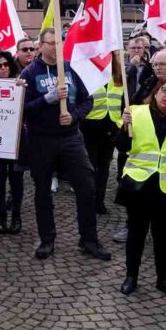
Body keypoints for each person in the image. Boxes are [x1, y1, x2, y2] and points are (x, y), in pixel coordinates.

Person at [21, 28, 111, 261]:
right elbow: (23, 110)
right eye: (50, 43)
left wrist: (74, 116)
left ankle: (89, 239)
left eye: (58, 44)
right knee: (42, 191)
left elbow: (87, 101)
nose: (55, 48)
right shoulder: (29, 73)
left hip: (71, 137)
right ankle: (47, 239)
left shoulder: (71, 69)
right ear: (40, 45)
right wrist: (46, 99)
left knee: (86, 186)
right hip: (41, 139)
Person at [116, 74, 166, 299]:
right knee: (136, 234)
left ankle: (164, 279)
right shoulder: (135, 113)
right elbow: (121, 147)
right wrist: (125, 127)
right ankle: (131, 276)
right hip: (139, 186)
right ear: (157, 91)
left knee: (163, 237)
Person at [0, 51, 27, 234]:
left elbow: (29, 109)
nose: (3, 68)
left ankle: (16, 215)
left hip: (16, 140)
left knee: (17, 179)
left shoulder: (20, 83)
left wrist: (24, 90)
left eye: (6, 64)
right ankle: (1, 215)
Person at [80, 53, 124, 216]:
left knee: (104, 167)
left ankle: (99, 201)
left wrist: (120, 123)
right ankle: (88, 200)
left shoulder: (119, 75)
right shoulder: (87, 73)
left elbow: (123, 101)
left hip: (112, 126)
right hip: (91, 125)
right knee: (90, 166)